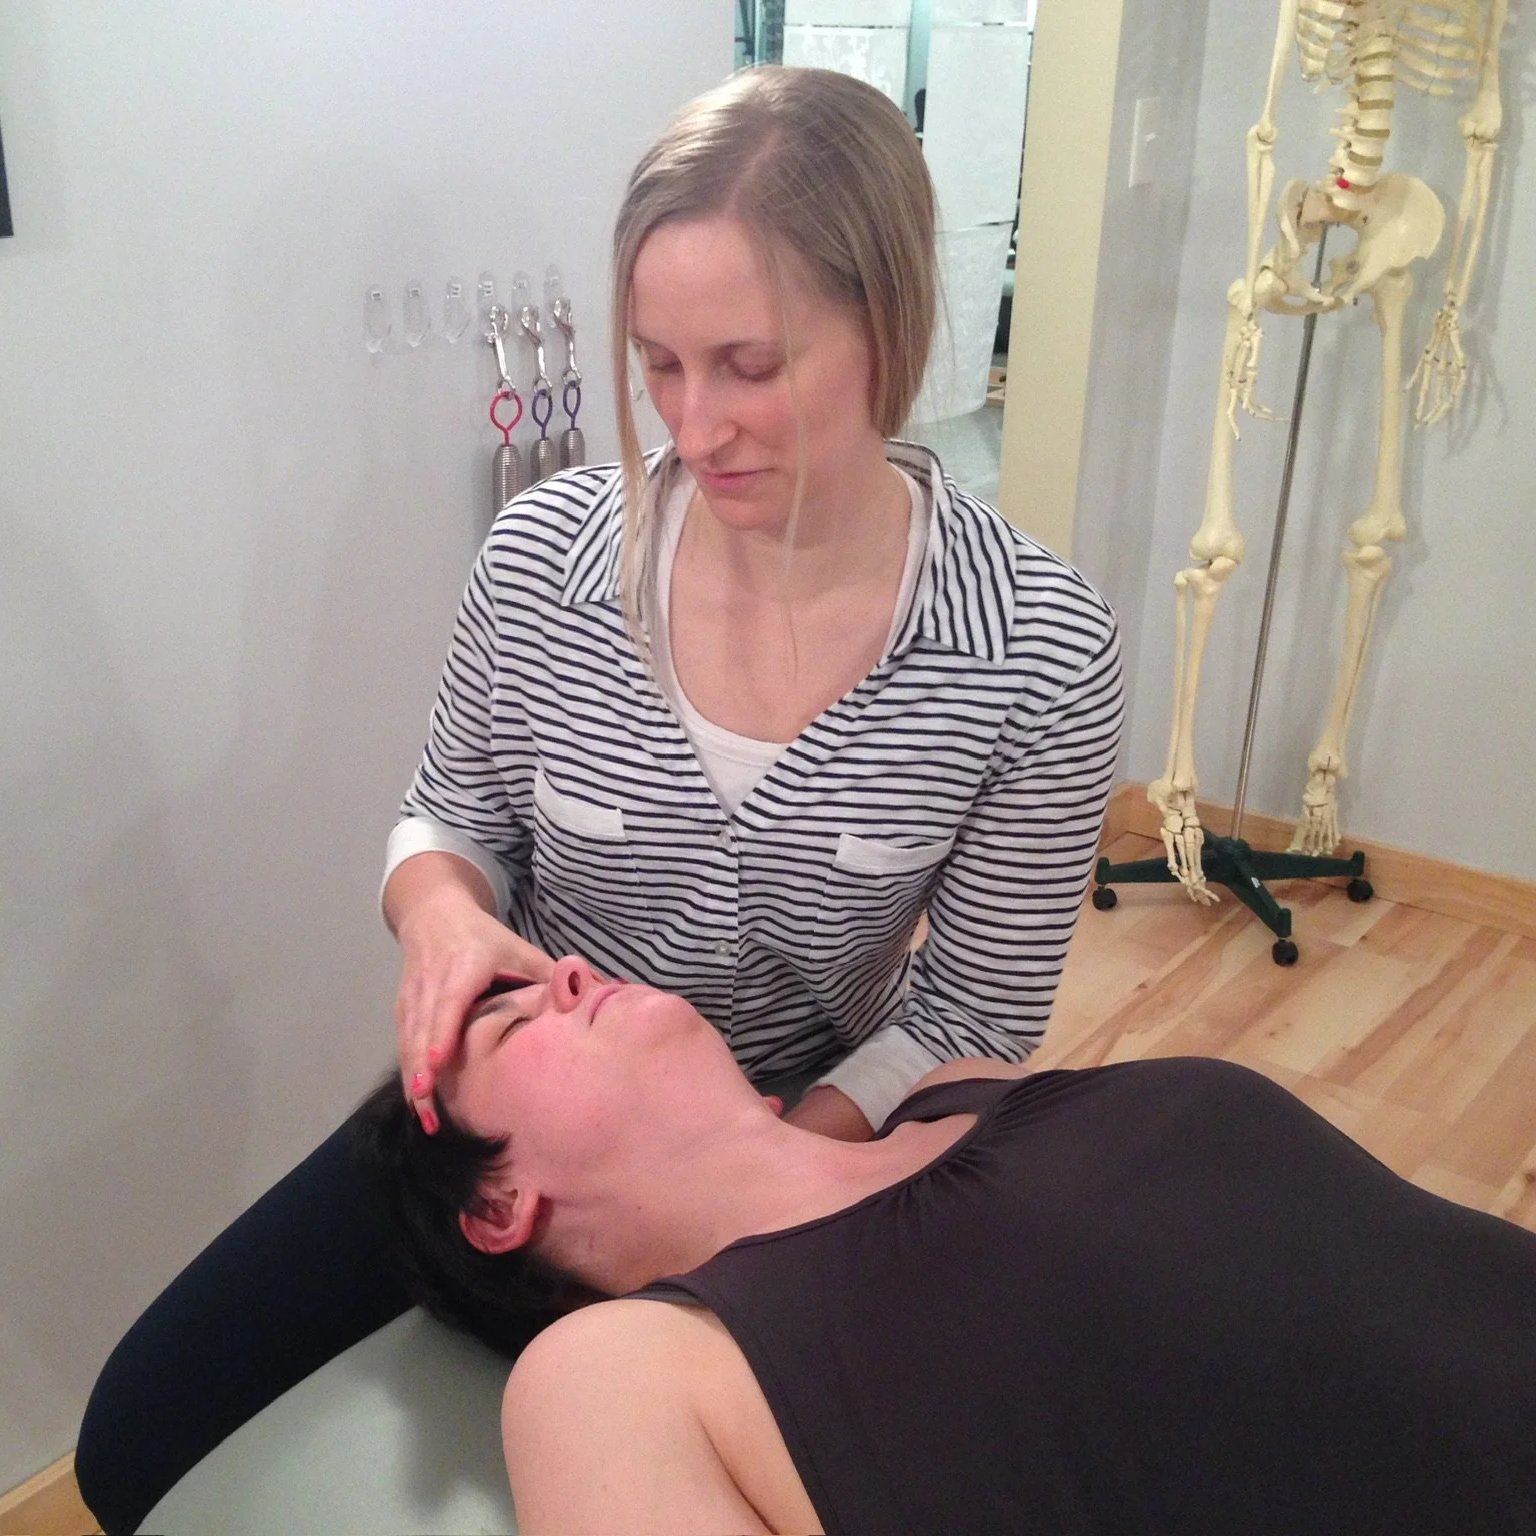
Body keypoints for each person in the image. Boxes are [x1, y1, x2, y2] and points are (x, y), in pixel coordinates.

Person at [77, 65, 1122, 1533]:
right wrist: (442, 928)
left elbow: (978, 1016)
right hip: (525, 1126)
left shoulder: (1036, 651)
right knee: (142, 1431)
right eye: (660, 364)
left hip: (800, 1149)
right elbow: (446, 821)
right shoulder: (547, 559)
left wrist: (765, 1162)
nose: (697, 428)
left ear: (888, 328)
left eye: (749, 365)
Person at [358, 955, 1536, 1536]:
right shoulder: (618, 1374)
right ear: (499, 1203)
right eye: (510, 1021)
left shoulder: (962, 1091)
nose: (564, 966)